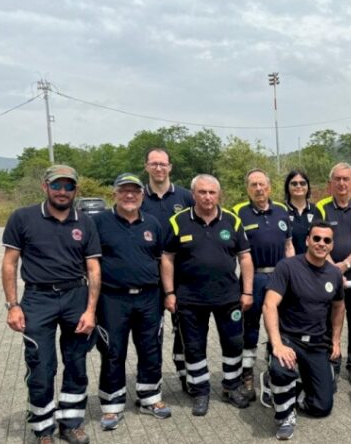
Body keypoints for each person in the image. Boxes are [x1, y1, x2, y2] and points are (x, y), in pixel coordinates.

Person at [1, 165, 101, 444]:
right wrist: (12, 305)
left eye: (69, 186)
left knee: (77, 363)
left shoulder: (85, 222)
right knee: (41, 366)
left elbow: (93, 269)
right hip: (37, 299)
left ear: (75, 190)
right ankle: (43, 428)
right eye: (57, 185)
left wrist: (91, 310)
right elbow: (10, 263)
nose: (62, 191)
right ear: (45, 186)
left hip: (75, 298)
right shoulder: (22, 218)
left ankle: (71, 423)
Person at [161, 174, 255, 416]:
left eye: (212, 192)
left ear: (218, 194)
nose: (207, 197)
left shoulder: (233, 222)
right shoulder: (177, 222)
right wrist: (169, 292)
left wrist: (247, 291)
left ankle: (232, 387)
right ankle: (200, 391)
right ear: (193, 195)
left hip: (228, 298)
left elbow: (245, 257)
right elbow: (167, 258)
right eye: (202, 192)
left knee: (233, 344)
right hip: (190, 299)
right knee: (194, 347)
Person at [93, 173, 171, 431]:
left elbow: (162, 260)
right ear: (114, 193)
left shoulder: (153, 223)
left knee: (151, 348)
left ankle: (150, 397)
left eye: (135, 191)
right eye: (124, 190)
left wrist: (167, 294)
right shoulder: (99, 222)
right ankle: (112, 405)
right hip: (112, 298)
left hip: (149, 297)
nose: (130, 195)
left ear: (141, 195)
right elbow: (90, 264)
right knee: (113, 351)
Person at [261, 221, 345, 440]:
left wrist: (335, 341)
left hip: (317, 342)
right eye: (316, 238)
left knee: (322, 406)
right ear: (307, 240)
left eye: (326, 240)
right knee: (282, 369)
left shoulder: (334, 274)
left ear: (331, 245)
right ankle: (285, 414)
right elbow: (269, 305)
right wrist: (278, 344)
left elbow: (338, 307)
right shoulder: (287, 267)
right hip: (289, 339)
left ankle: (289, 388)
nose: (321, 243)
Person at [232, 169, 294, 402]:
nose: (259, 188)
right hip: (253, 278)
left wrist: (291, 275)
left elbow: (289, 246)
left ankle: (275, 368)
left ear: (269, 186)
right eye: (253, 184)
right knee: (250, 329)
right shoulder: (238, 213)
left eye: (262, 184)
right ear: (247, 188)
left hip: (279, 277)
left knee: (278, 326)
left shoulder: (281, 211)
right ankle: (247, 374)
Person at [140, 147, 195, 392]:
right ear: (147, 167)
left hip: (182, 275)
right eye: (154, 164)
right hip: (149, 276)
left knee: (184, 329)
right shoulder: (137, 197)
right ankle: (151, 384)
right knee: (151, 332)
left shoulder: (185, 197)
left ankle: (187, 377)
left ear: (170, 167)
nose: (159, 168)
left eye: (163, 164)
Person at [315, 162, 351, 387]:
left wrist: (345, 265)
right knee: (330, 320)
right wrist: (333, 268)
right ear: (332, 182)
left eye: (346, 179)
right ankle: (333, 363)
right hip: (327, 270)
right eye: (337, 179)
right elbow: (318, 240)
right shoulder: (321, 207)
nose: (341, 183)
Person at [284, 168, 322, 255]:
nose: (298, 186)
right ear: (287, 187)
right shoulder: (281, 211)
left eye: (302, 183)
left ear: (308, 187)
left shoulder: (316, 210)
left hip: (313, 264)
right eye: (294, 183)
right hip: (288, 264)